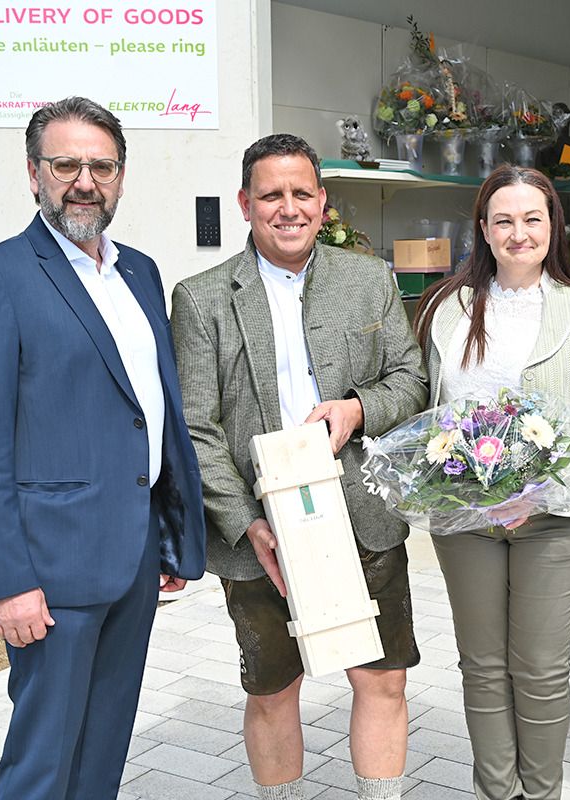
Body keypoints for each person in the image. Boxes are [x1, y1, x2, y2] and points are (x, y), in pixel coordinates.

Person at [0, 96, 206, 798]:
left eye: (102, 166)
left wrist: (168, 534)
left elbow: (150, 412)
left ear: (121, 176)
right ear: (34, 174)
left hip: (134, 556)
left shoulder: (139, 272)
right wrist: (7, 580)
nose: (85, 181)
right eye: (66, 165)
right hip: (49, 570)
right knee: (43, 763)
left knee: (102, 750)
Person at [170, 133, 428, 800]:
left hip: (363, 514)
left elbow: (411, 380)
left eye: (301, 193)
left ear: (322, 201)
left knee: (383, 680)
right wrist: (245, 523)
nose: (288, 208)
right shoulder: (201, 299)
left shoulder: (368, 280)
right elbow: (195, 427)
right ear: (245, 204)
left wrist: (358, 409)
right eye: (271, 195)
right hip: (259, 530)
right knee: (272, 691)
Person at [412, 164, 570, 800]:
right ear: (483, 229)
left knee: (539, 670)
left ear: (553, 226)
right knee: (481, 668)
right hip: (466, 520)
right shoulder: (447, 308)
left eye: (532, 219)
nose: (518, 233)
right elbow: (430, 412)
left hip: (557, 522)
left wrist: (539, 490)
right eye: (503, 220)